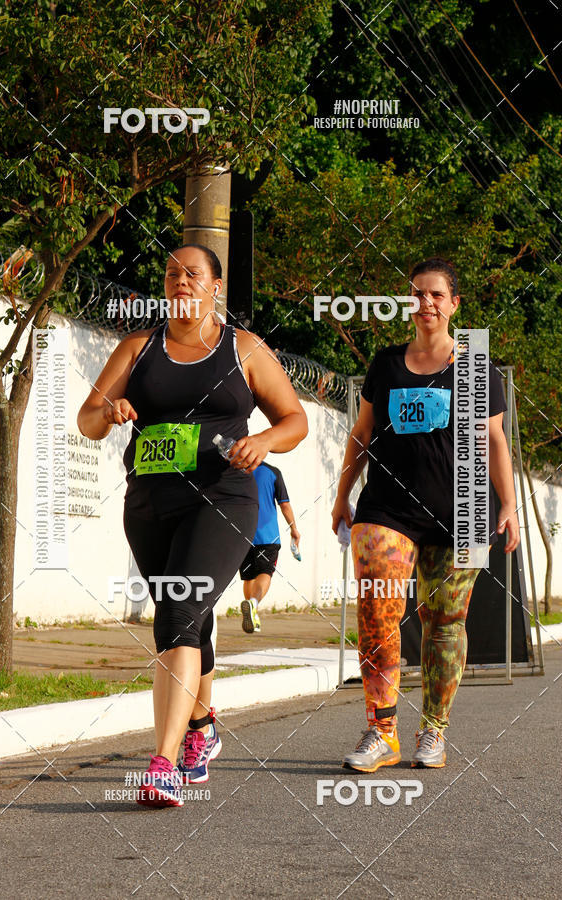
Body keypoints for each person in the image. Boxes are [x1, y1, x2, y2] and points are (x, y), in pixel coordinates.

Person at [77, 244, 307, 806]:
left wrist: (263, 442)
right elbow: (87, 419)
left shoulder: (243, 348)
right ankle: (201, 728)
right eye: (172, 273)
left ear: (215, 287)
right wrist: (110, 412)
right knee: (185, 619)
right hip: (151, 500)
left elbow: (295, 419)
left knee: (179, 611)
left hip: (223, 497)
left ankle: (162, 765)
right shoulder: (139, 346)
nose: (181, 281)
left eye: (193, 274)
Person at [331, 257, 519, 772]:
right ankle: (381, 730)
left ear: (454, 304)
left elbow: (494, 441)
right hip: (386, 509)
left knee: (446, 625)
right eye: (417, 294)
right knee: (377, 611)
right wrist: (342, 492)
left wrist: (509, 506)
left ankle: (433, 731)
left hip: (463, 509)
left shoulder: (475, 365)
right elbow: (362, 435)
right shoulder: (386, 364)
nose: (427, 302)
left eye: (437, 294)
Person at [238, 462, 300, 633]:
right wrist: (294, 529)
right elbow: (284, 504)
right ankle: (253, 604)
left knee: (249, 576)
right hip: (268, 536)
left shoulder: (237, 470)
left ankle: (253, 613)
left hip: (243, 534)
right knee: (265, 572)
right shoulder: (273, 472)